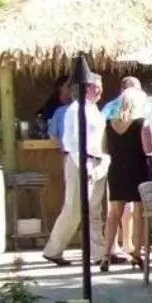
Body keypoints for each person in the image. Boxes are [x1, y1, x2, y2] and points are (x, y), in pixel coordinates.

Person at [42, 71, 109, 266]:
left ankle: (98, 253)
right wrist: (84, 165)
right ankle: (53, 249)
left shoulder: (95, 110)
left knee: (95, 209)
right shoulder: (76, 109)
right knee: (73, 208)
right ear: (85, 88)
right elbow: (72, 141)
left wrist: (103, 161)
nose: (98, 91)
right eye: (94, 86)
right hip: (79, 161)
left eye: (100, 87)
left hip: (97, 161)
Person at [100, 78, 152, 267]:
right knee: (139, 211)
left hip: (116, 169)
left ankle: (107, 254)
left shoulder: (109, 123)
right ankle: (137, 252)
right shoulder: (141, 123)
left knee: (113, 213)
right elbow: (148, 148)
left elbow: (105, 148)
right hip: (137, 168)